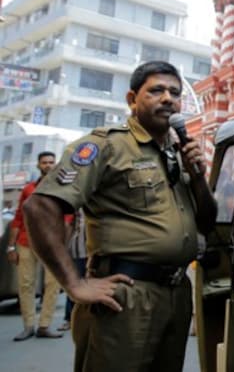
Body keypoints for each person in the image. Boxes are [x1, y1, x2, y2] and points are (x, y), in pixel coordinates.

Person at [22, 61, 217, 372]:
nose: (168, 98)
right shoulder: (107, 144)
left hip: (175, 295)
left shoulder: (176, 152)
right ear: (132, 99)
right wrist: (74, 284)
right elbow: (40, 207)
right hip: (126, 296)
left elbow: (206, 223)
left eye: (175, 93)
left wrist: (197, 177)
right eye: (156, 90)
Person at [6, 151, 65, 341]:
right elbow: (18, 217)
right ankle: (28, 326)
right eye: (44, 162)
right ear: (38, 165)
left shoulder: (62, 189)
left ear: (55, 165)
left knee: (53, 284)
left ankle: (44, 326)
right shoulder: (28, 189)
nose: (48, 165)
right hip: (26, 241)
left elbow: (68, 218)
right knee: (26, 284)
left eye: (51, 162)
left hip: (51, 244)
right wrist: (10, 246)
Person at [59, 209, 87, 332]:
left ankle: (86, 319)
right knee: (75, 283)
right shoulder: (77, 205)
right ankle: (69, 319)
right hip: (78, 250)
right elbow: (68, 224)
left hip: (95, 250)